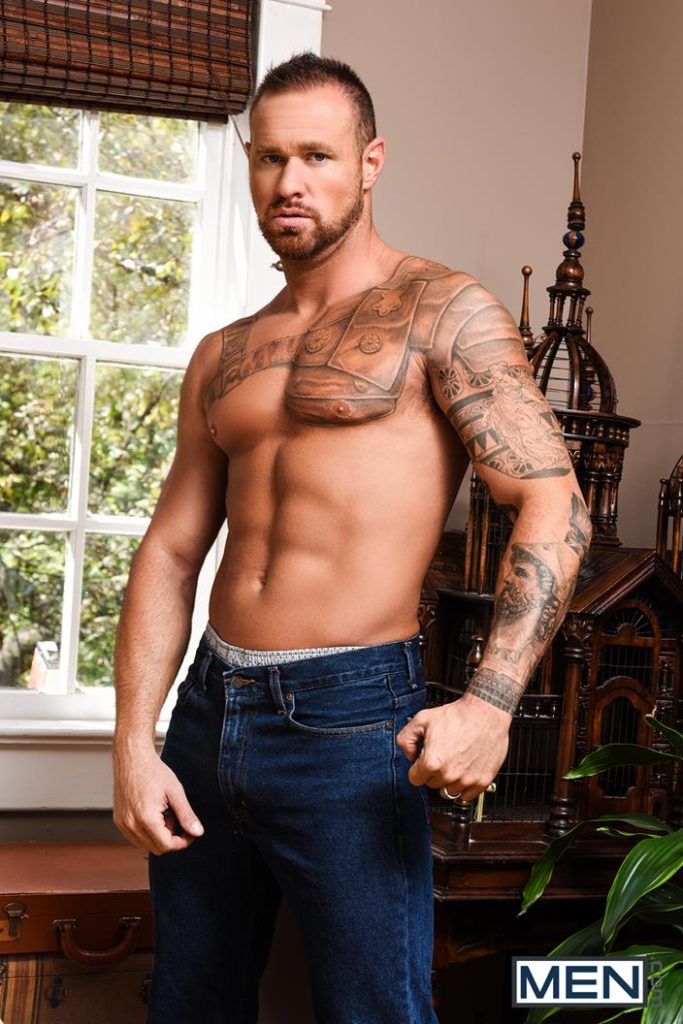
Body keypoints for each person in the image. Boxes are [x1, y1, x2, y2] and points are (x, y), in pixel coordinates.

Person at [113, 52, 591, 1024]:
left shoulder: (441, 312)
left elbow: (553, 504)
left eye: (317, 156)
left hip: (348, 717)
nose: (289, 181)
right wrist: (132, 739)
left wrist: (489, 704)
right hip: (207, 713)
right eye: (270, 157)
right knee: (187, 1004)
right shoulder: (223, 354)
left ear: (370, 163)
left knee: (374, 1008)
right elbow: (170, 549)